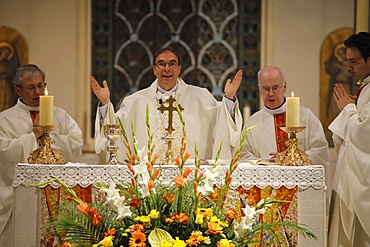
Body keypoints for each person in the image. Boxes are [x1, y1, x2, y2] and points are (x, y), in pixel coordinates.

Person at [91, 47, 243, 164]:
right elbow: (114, 131)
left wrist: (229, 99)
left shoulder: (200, 97)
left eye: (172, 64)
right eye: (161, 64)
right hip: (148, 181)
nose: (167, 69)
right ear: (154, 69)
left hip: (191, 179)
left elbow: (221, 122)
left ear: (179, 68)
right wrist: (105, 104)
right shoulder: (135, 101)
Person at [0, 64, 83, 244]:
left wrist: (50, 137)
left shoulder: (60, 115)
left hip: (56, 196)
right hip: (20, 201)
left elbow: (76, 144)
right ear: (17, 90)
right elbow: (4, 152)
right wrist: (33, 136)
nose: (38, 92)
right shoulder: (5, 119)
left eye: (41, 85)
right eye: (31, 87)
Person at [240, 66, 330, 198]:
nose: (271, 93)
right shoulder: (253, 123)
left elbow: (320, 150)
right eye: (265, 89)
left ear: (285, 86)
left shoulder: (305, 116)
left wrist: (293, 158)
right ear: (259, 88)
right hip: (267, 193)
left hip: (301, 191)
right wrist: (266, 160)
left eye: (275, 87)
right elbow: (243, 156)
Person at [328, 32, 370, 246]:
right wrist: (353, 108)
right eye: (347, 62)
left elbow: (366, 135)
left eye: (354, 62)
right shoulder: (366, 88)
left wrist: (348, 110)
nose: (349, 68)